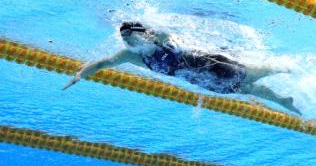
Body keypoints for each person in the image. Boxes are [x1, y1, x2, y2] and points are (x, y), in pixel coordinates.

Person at [63, 21, 301, 114]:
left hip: (210, 64)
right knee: (246, 90)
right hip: (197, 78)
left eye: (131, 37)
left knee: (251, 74)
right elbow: (104, 63)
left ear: (143, 34)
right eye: (125, 39)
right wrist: (79, 74)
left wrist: (153, 34)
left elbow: (165, 33)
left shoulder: (160, 40)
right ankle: (283, 101)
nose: (128, 41)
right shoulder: (132, 56)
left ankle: (284, 68)